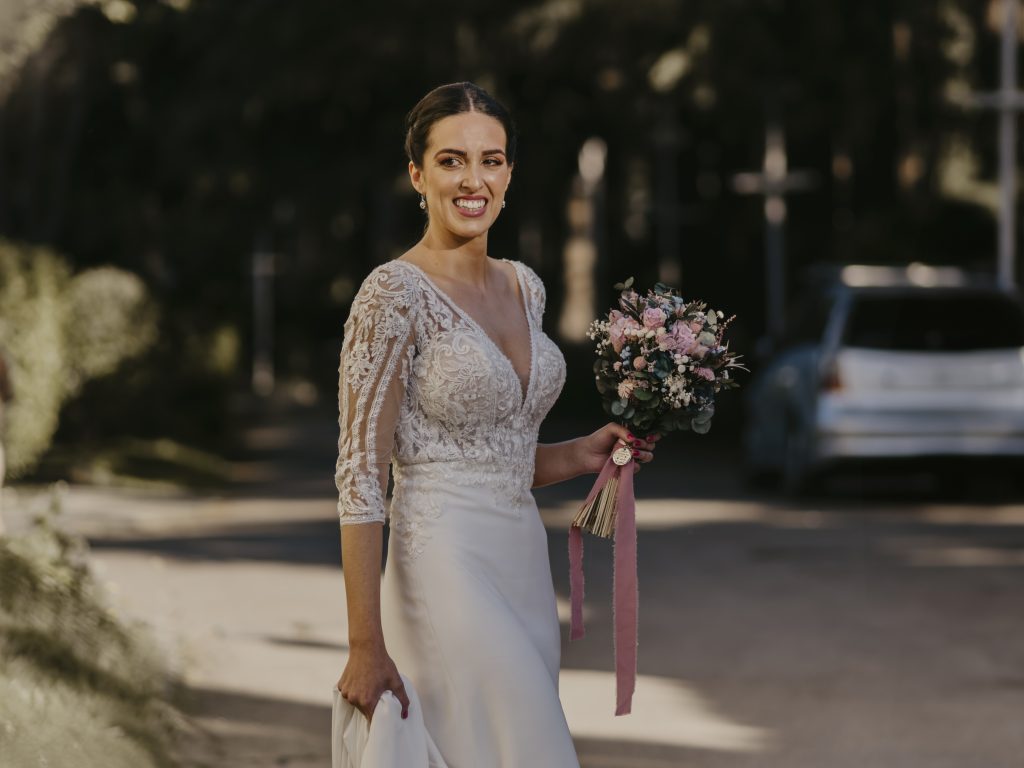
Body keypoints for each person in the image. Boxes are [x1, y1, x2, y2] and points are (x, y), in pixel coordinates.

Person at [334, 81, 661, 767]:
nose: (473, 180)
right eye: (451, 160)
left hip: (521, 564)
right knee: (530, 747)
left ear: (510, 172)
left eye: (492, 159)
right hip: (441, 563)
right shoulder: (392, 293)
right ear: (418, 174)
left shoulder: (525, 285)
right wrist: (365, 646)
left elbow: (503, 453)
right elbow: (361, 476)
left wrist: (583, 452)